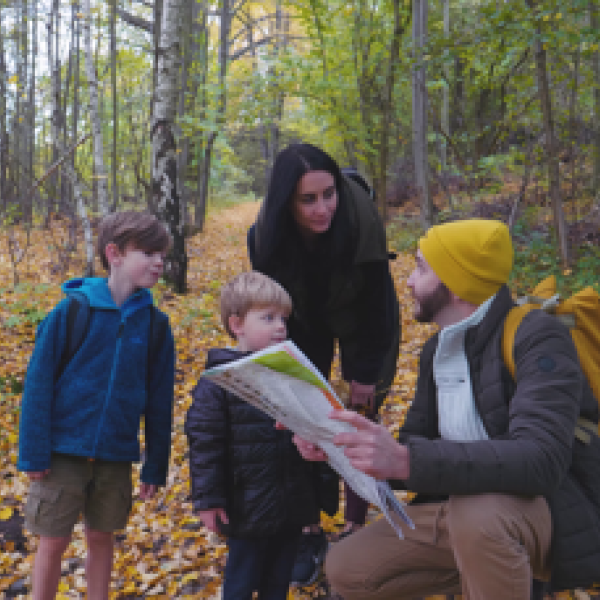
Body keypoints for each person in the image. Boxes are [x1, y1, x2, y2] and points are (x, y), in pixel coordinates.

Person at [294, 218, 600, 600]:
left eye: (421, 268)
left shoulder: (538, 336)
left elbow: (542, 459)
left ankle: (504, 569)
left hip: (550, 511)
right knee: (348, 567)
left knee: (480, 520)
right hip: (462, 512)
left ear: (456, 284)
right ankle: (494, 572)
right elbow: (413, 446)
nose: (407, 281)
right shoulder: (437, 351)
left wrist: (407, 460)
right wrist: (342, 450)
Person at [247, 143, 401, 586]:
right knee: (302, 418)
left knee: (358, 414)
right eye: (307, 200)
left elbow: (375, 304)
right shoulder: (266, 236)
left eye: (328, 194)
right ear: (285, 202)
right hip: (301, 318)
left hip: (363, 317)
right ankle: (308, 528)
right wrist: (289, 374)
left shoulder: (360, 218)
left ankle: (354, 526)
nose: (322, 208)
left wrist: (364, 372)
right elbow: (272, 307)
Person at [18, 211, 175, 600]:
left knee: (102, 538)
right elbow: (38, 386)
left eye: (162, 254)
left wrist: (156, 463)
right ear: (114, 253)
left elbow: (159, 401)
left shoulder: (155, 327)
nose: (159, 262)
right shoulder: (71, 312)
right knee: (52, 542)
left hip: (115, 456)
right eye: (149, 253)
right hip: (60, 454)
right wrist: (33, 452)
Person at [185, 271, 339, 600]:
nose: (280, 326)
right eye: (267, 318)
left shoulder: (290, 376)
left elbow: (314, 430)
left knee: (278, 581)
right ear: (237, 324)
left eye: (283, 318)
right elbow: (205, 443)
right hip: (246, 504)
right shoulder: (219, 383)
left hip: (290, 502)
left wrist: (319, 491)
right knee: (241, 581)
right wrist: (209, 499)